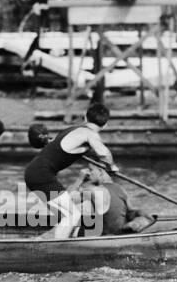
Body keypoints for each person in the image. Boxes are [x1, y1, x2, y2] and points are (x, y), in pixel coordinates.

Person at [24, 103, 117, 241]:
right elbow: (104, 154)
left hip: (35, 173)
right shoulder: (90, 134)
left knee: (68, 214)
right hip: (42, 175)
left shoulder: (71, 130)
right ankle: (56, 250)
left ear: (85, 117)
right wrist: (112, 167)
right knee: (72, 215)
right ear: (105, 125)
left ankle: (62, 242)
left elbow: (55, 145)